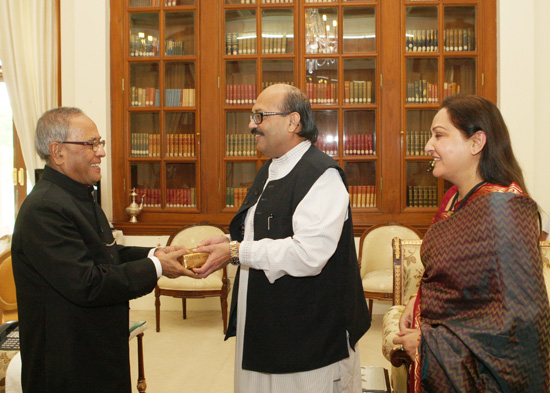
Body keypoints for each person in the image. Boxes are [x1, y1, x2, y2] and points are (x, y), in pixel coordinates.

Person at [193, 84, 371, 393]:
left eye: (260, 116)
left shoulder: (322, 175)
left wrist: (236, 251)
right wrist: (227, 243)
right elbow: (263, 232)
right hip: (266, 324)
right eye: (252, 116)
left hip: (308, 336)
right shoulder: (271, 169)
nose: (251, 125)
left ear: (292, 122)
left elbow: (308, 255)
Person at [11, 107, 194, 393]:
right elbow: (88, 283)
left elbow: (107, 254)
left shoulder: (78, 195)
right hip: (68, 366)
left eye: (100, 143)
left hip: (97, 353)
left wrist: (155, 254)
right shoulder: (44, 209)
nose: (101, 153)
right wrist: (157, 269)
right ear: (57, 152)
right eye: (90, 144)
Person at [393, 95, 550, 392]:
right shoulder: (454, 198)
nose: (428, 146)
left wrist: (430, 346)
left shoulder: (504, 211)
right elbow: (455, 284)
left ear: (477, 142)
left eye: (439, 135)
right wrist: (418, 304)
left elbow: (517, 321)